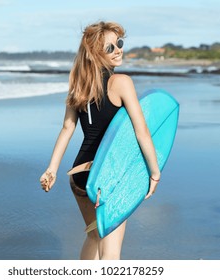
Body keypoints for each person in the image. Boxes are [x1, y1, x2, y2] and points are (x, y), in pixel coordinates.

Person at [39, 21, 161, 260]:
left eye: (120, 43)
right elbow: (142, 131)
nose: (118, 50)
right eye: (110, 47)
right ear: (95, 53)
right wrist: (154, 171)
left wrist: (52, 169)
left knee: (94, 236)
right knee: (111, 251)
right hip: (109, 175)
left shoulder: (78, 87)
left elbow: (67, 128)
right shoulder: (122, 83)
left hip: (80, 175)